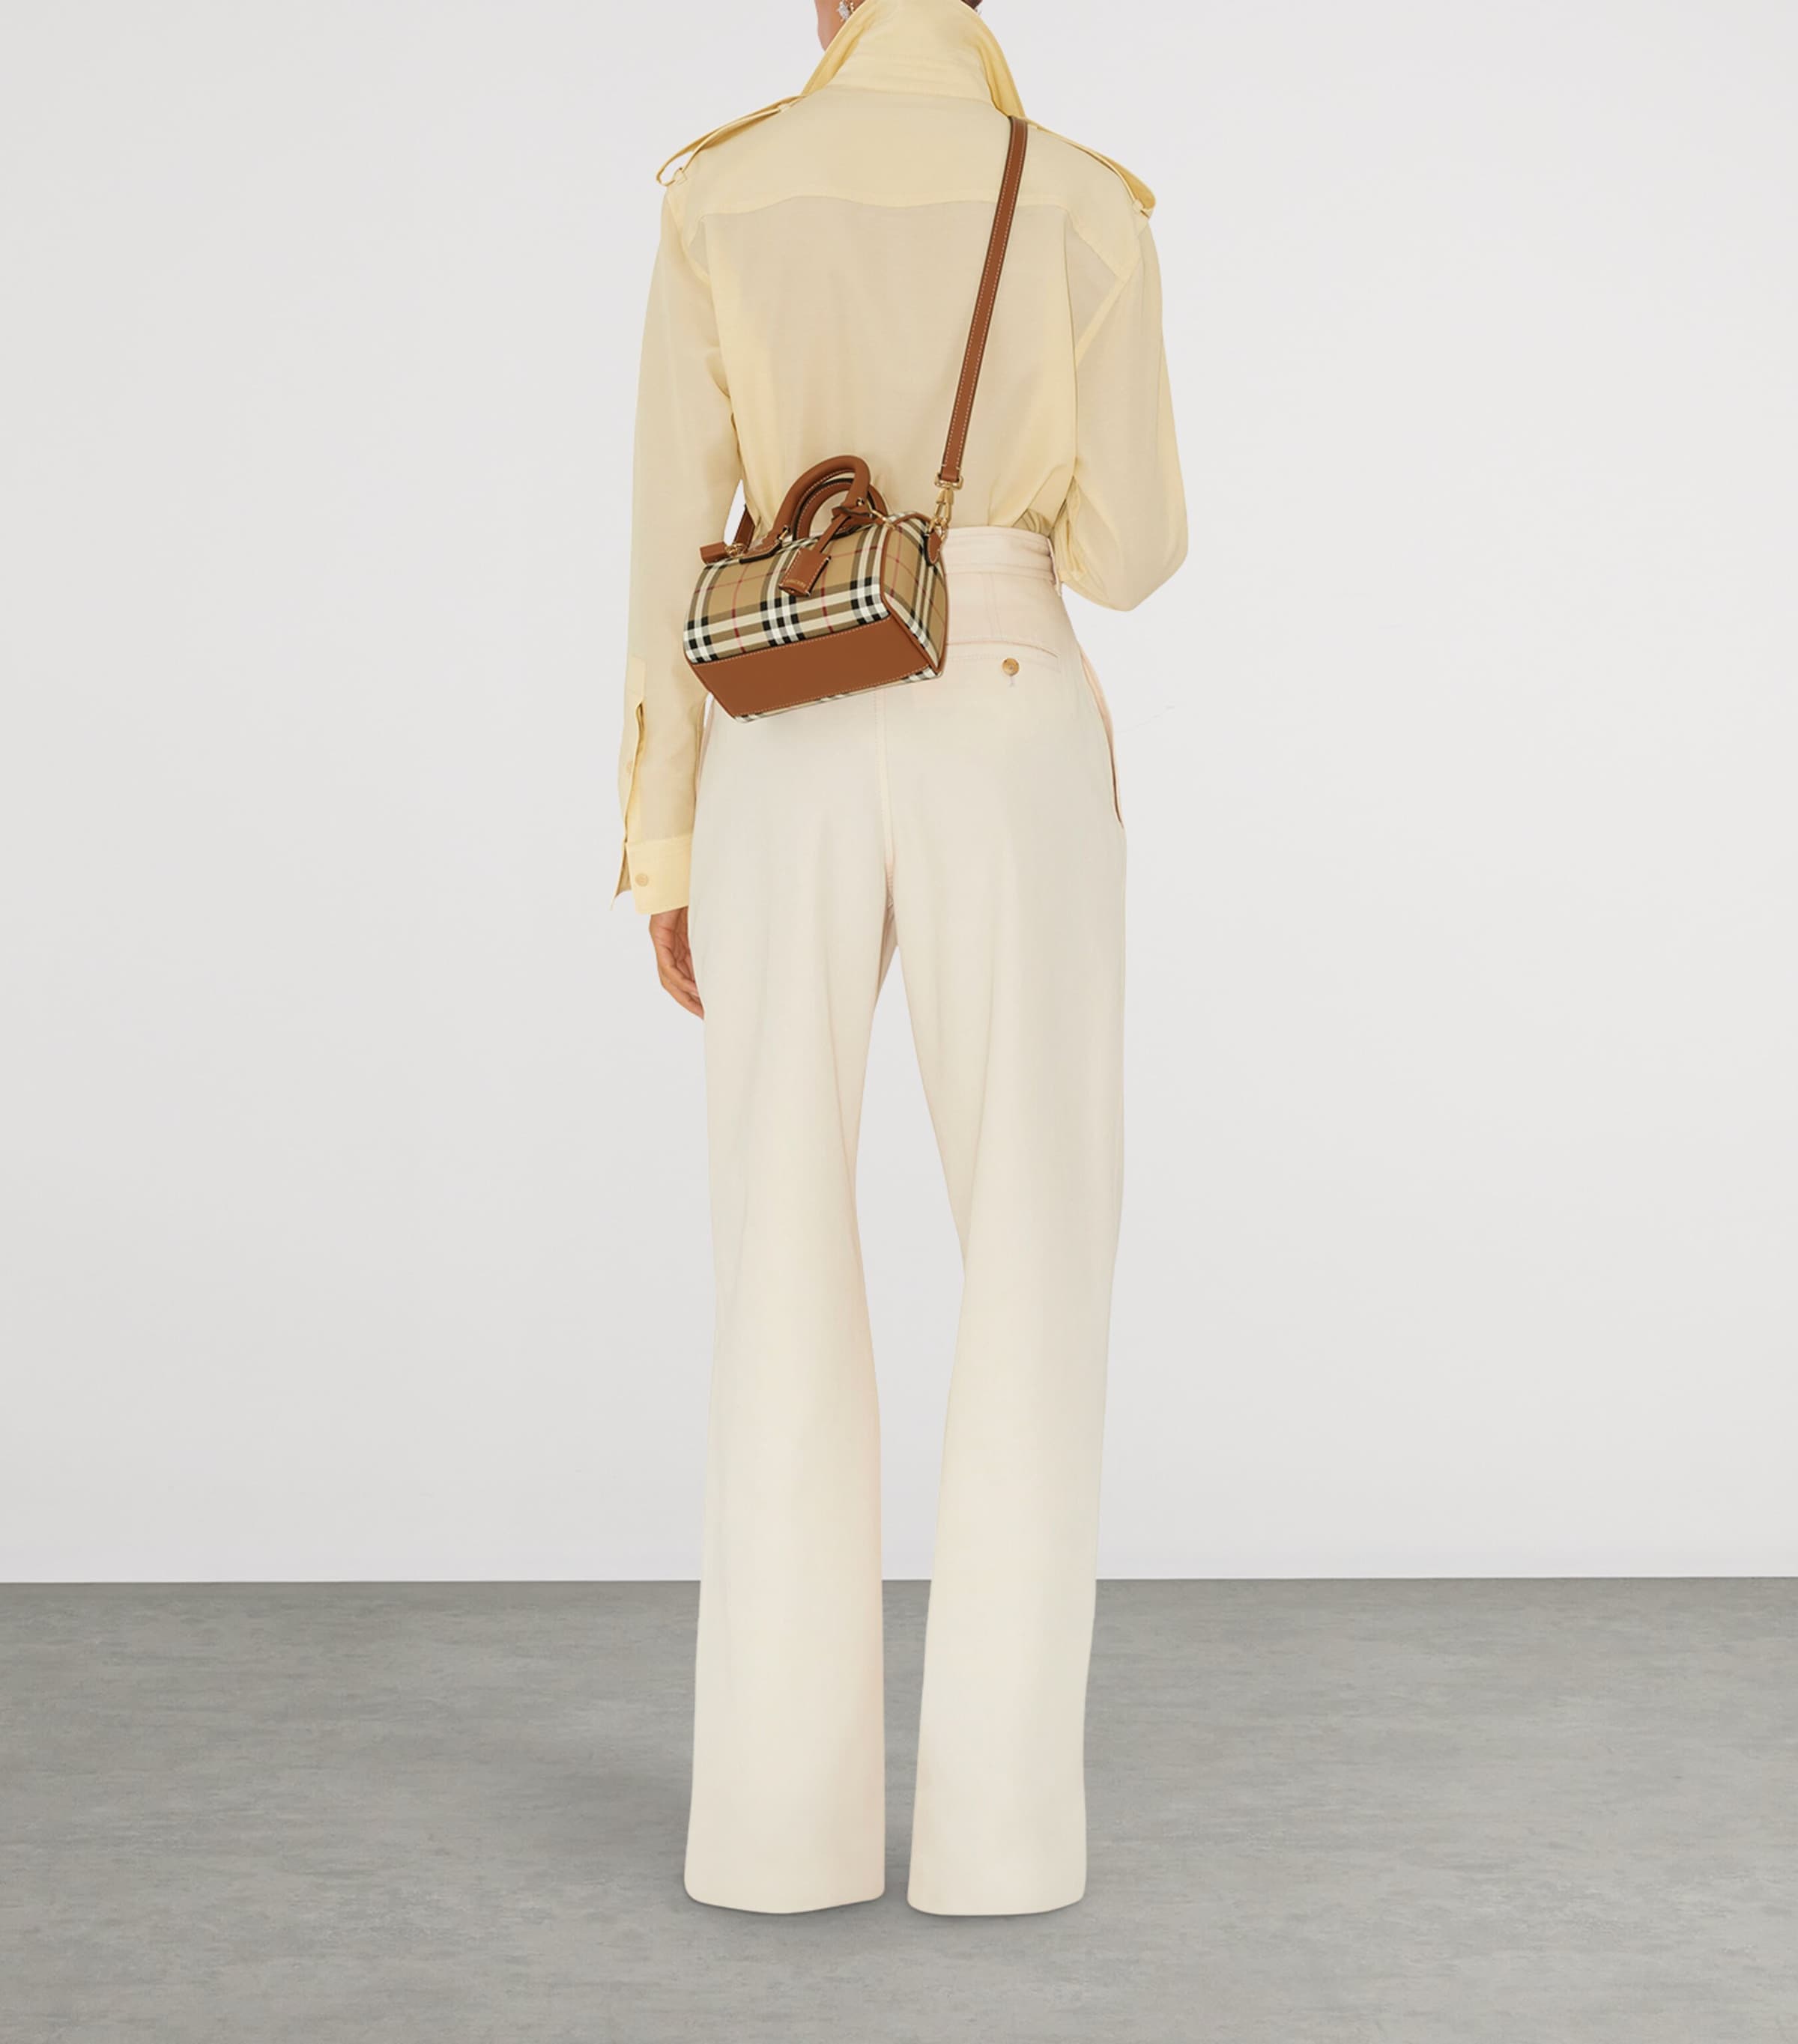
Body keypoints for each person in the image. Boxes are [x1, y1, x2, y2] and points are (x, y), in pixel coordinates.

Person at [618, 0, 1185, 1916]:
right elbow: (1136, 548)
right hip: (1002, 692)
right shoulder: (1083, 202)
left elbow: (664, 546)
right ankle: (999, 1846)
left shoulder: (721, 193)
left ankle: (775, 1838)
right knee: (1033, 1244)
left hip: (777, 709)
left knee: (775, 1244)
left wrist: (663, 839)